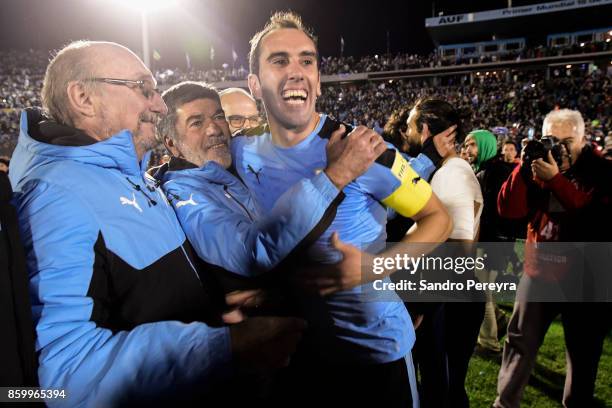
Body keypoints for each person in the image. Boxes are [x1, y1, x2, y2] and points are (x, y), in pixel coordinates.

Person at [8, 40, 306, 406]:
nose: (159, 104)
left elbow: (145, 299)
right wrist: (221, 346)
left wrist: (214, 313)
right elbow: (67, 376)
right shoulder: (54, 195)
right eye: (143, 89)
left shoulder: (136, 180)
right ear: (83, 97)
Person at [234, 11, 453, 406]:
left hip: (373, 357)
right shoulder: (240, 153)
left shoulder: (367, 150)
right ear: (254, 84)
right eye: (279, 60)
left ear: (318, 79)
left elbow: (438, 218)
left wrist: (375, 266)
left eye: (307, 60)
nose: (296, 71)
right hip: (296, 358)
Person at [156, 80, 383, 280]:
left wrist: (391, 277)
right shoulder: (186, 194)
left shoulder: (238, 165)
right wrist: (335, 176)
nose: (215, 129)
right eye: (196, 123)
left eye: (218, 117)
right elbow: (251, 254)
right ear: (172, 144)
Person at [494, 109, 612, 408]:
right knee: (518, 344)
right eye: (552, 140)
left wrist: (557, 181)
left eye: (568, 140)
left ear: (584, 138)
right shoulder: (536, 165)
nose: (560, 148)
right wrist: (522, 170)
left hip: (587, 278)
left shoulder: (603, 171)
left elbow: (598, 223)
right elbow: (508, 211)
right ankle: (504, 404)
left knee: (583, 354)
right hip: (539, 272)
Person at [404, 98, 484, 408]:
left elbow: (456, 250)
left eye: (411, 126)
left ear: (424, 129)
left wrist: (420, 304)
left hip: (449, 301)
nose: (407, 133)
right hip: (447, 298)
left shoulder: (452, 172)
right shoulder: (449, 169)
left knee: (443, 391)